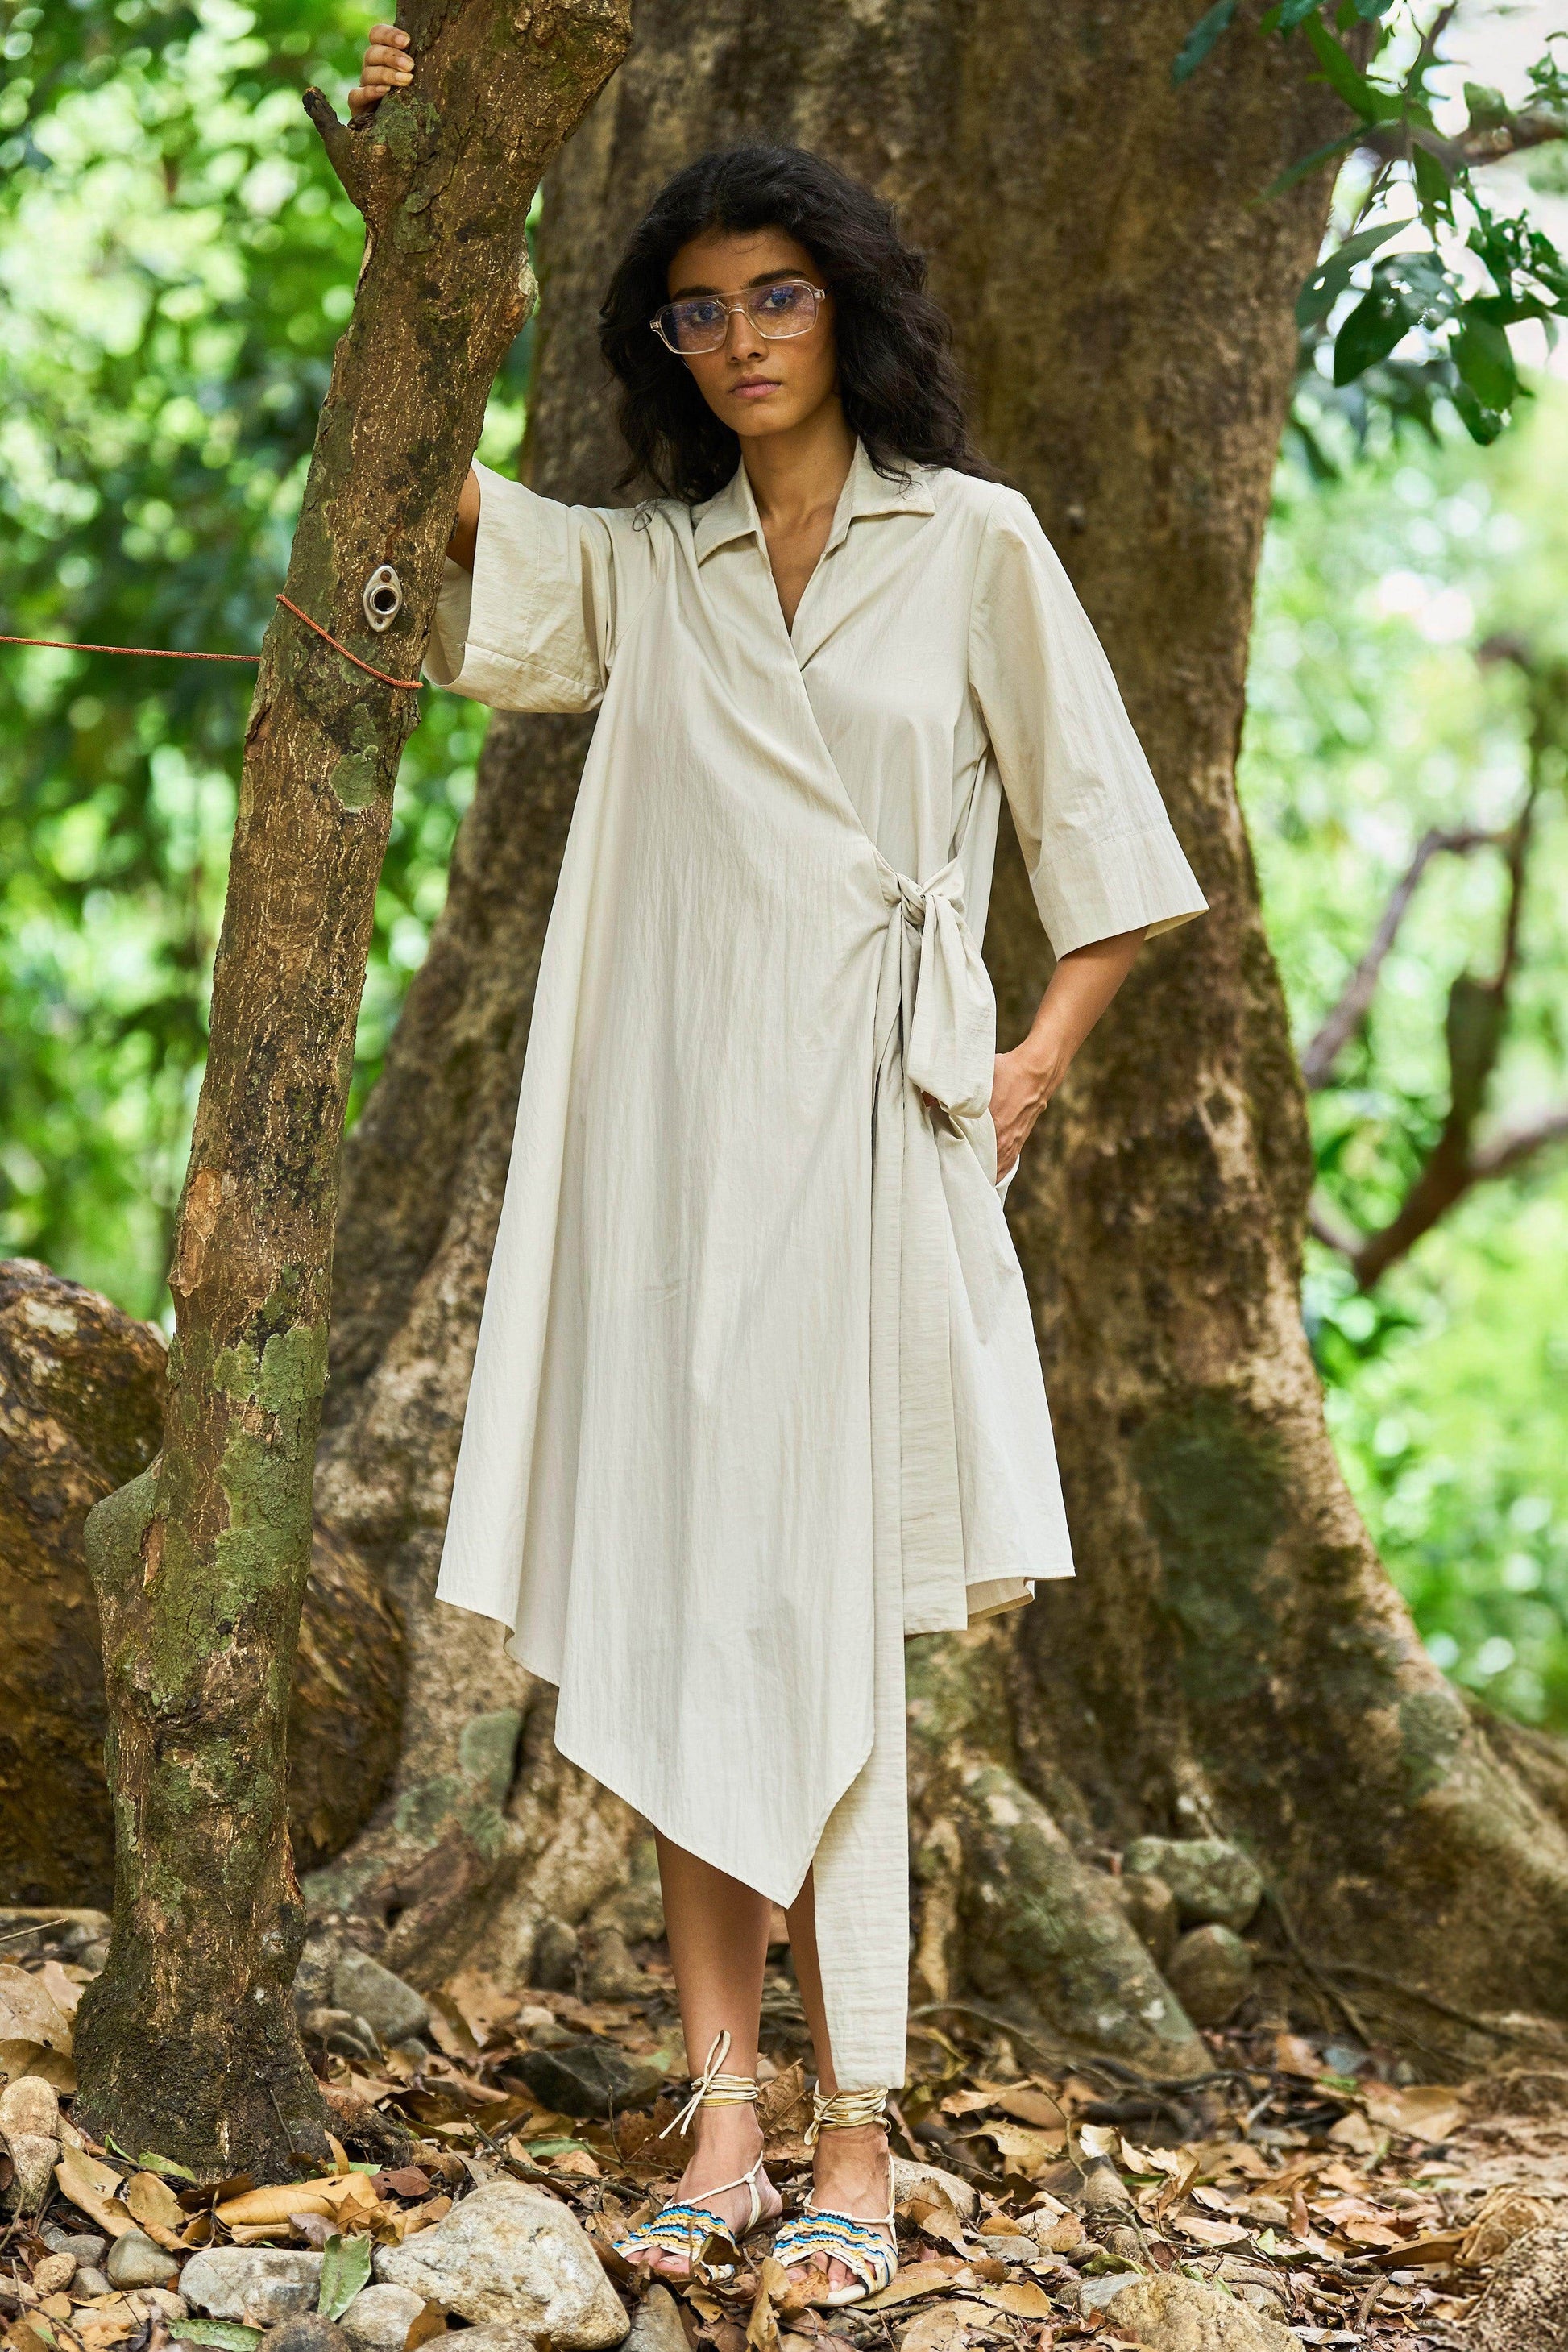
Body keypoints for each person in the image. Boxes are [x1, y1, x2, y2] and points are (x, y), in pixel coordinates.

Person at [351, 27, 1207, 2305]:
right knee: (677, 1606)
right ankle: (721, 2115)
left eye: (777, 297)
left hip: (870, 1146)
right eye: (696, 312)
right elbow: (433, 499)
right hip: (665, 1158)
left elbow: (1109, 850)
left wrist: (1030, 1065)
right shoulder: (656, 568)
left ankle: (858, 2134)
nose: (739, 340)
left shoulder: (977, 541)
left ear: (849, 306)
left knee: (823, 1615)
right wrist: (415, 209)